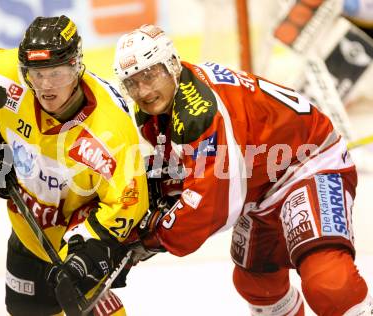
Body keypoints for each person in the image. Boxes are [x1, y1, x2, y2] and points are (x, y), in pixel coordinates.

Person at [113, 24, 373, 315]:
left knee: (329, 280)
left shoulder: (199, 112)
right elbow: (172, 176)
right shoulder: (159, 108)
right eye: (132, 83)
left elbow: (212, 206)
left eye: (149, 75)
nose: (143, 90)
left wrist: (153, 238)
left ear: (171, 64)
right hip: (262, 181)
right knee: (257, 282)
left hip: (307, 165)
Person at [0, 15, 149, 316]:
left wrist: (86, 258)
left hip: (75, 242)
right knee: (25, 310)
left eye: (57, 74)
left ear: (77, 66)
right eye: (36, 75)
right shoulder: (7, 76)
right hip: (27, 231)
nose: (46, 87)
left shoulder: (110, 133)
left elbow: (128, 204)